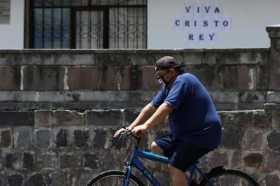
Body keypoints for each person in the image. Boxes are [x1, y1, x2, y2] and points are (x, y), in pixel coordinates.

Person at [114, 56, 222, 186]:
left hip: (202, 134)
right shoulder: (169, 86)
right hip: (186, 134)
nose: (160, 80)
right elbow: (150, 107)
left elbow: (166, 107)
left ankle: (180, 172)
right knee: (155, 146)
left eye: (161, 76)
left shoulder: (183, 81)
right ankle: (186, 179)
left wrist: (146, 126)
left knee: (175, 166)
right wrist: (129, 128)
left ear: (171, 71)